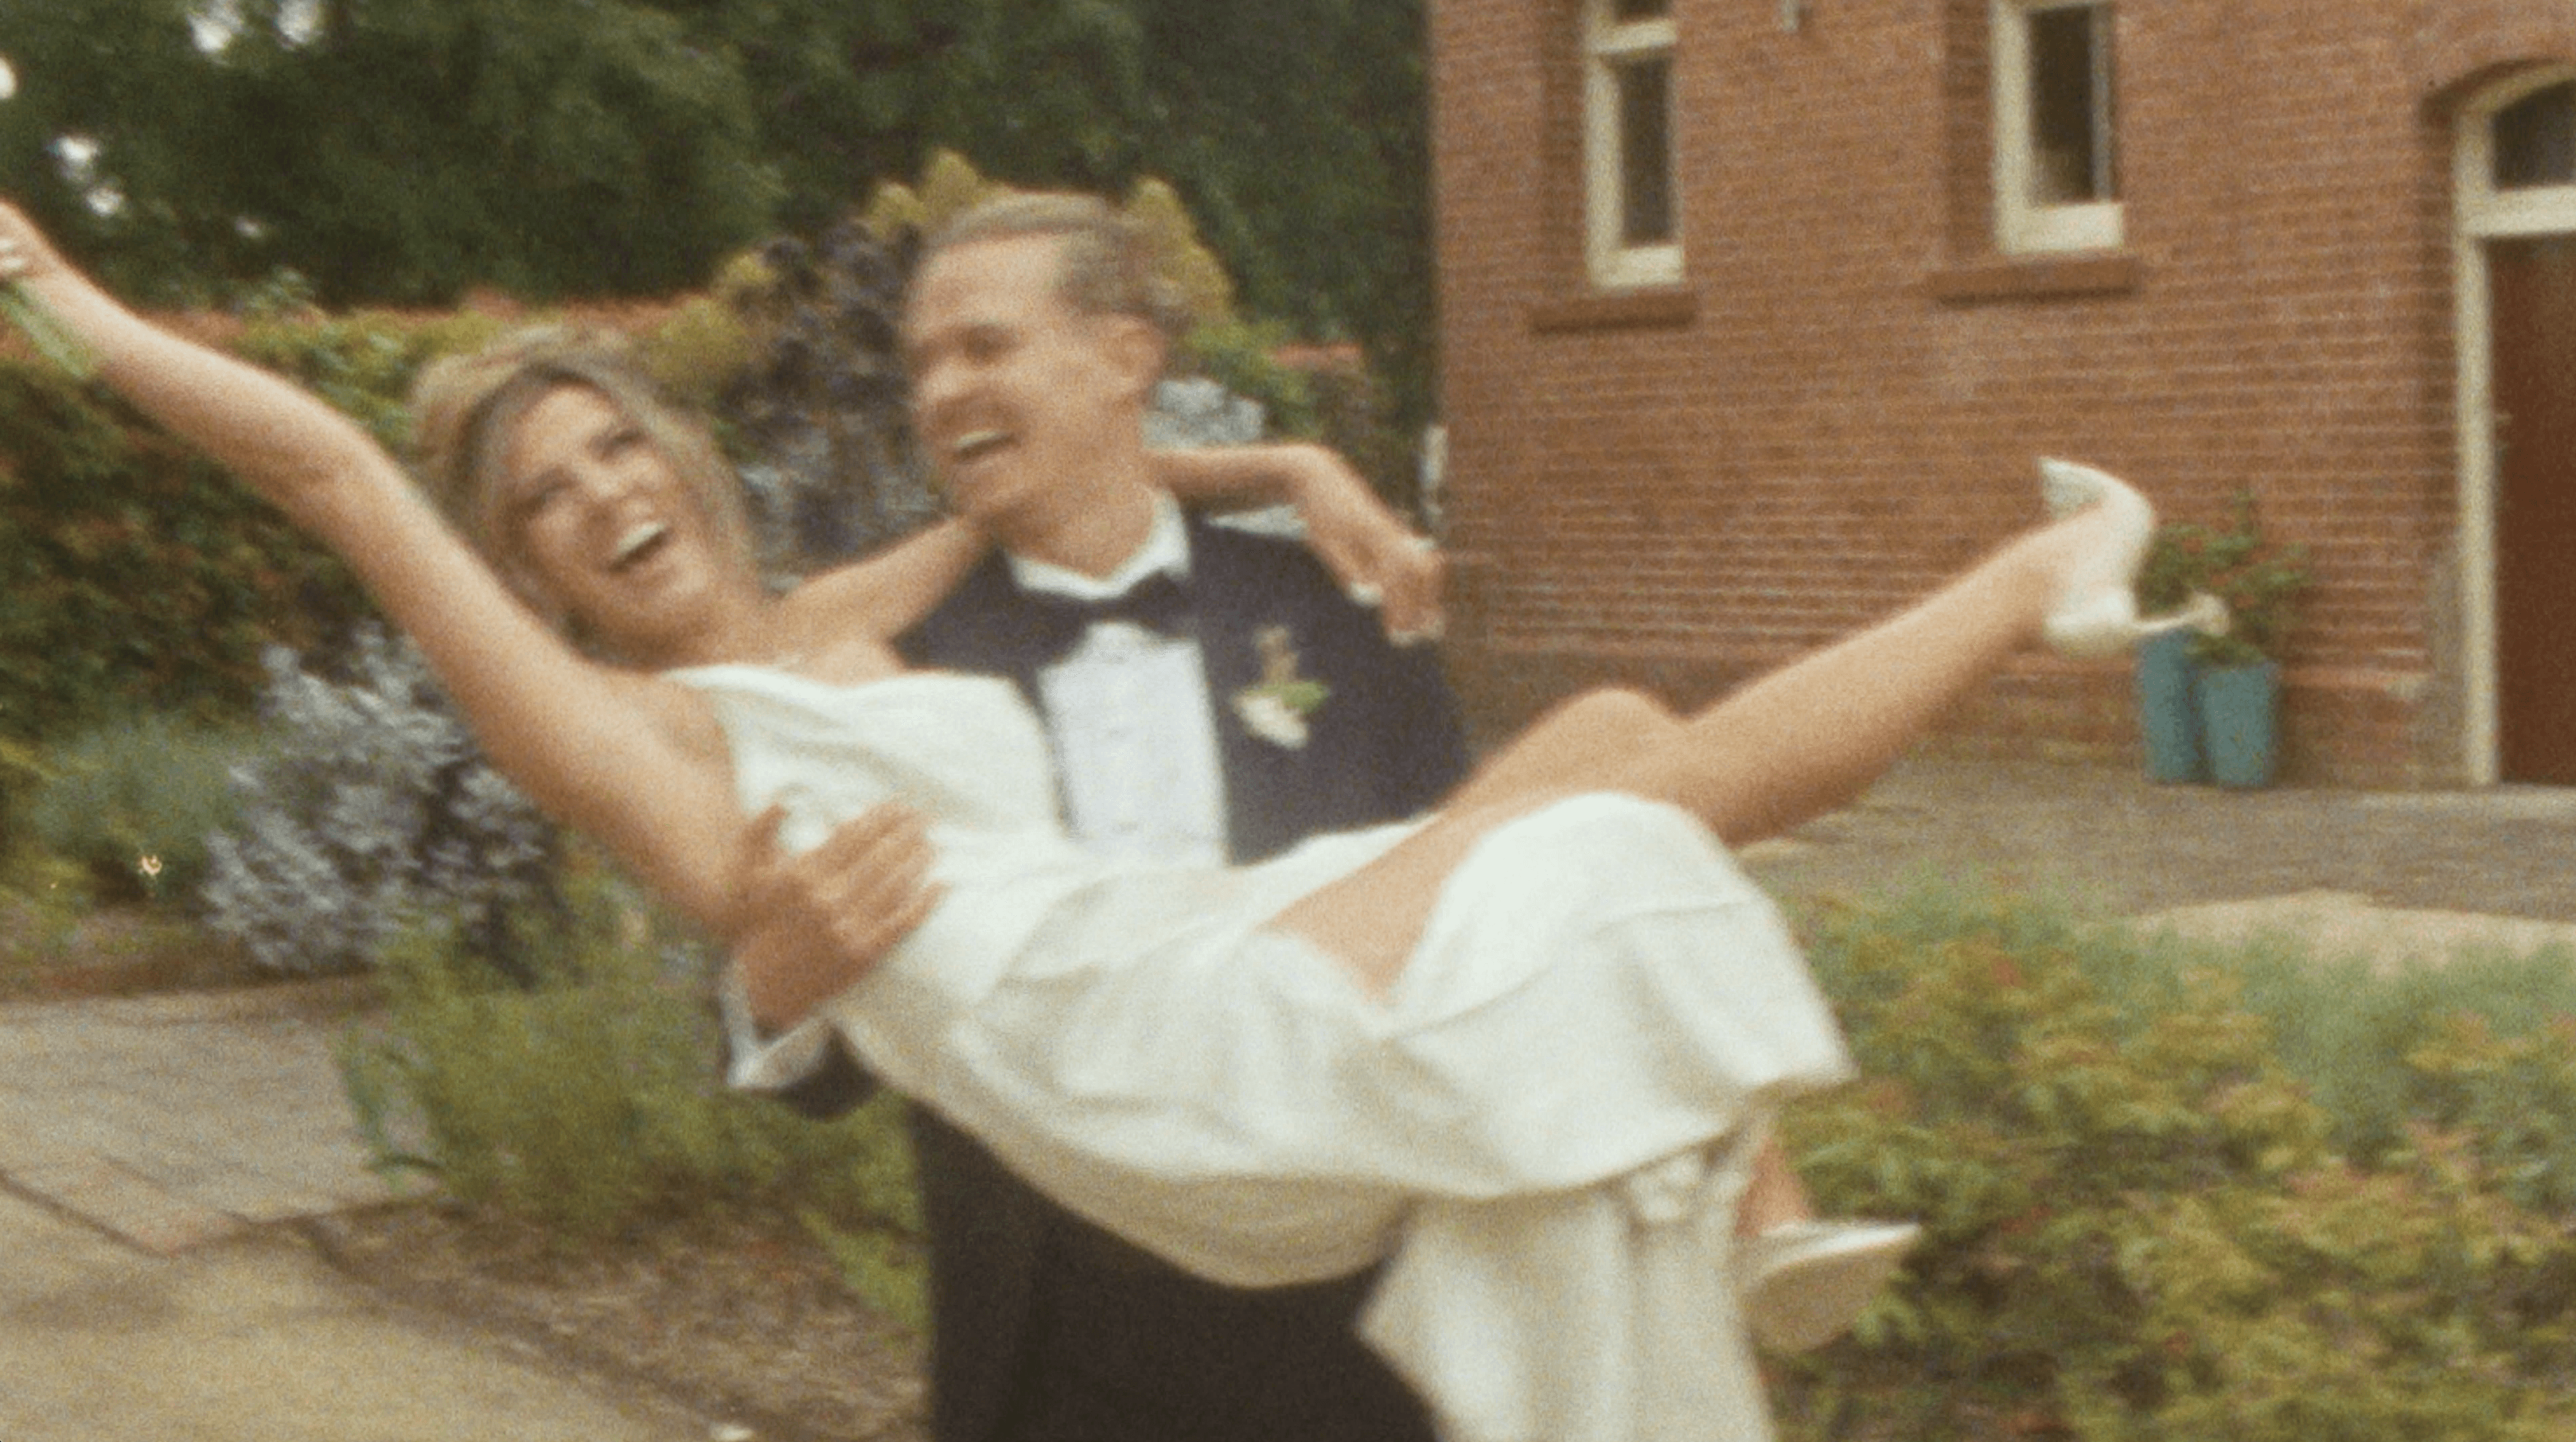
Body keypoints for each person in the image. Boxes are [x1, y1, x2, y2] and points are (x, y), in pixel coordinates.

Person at [0, 200, 2219, 1442]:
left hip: (1193, 954)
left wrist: (1300, 473)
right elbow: (325, 470)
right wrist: (55, 298)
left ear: (685, 462)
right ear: (527, 577)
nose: (601, 496)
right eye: (544, 503)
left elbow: (1064, 471)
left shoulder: (847, 615)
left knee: (1619, 742)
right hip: (1131, 1062)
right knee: (1629, 791)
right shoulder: (622, 735)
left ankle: (1755, 1167)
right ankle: (2041, 581)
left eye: (616, 452)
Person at [712, 194, 1471, 1442]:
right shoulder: (891, 678)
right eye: (921, 363)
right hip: (1053, 1344)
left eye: (985, 346)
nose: (942, 390)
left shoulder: (1338, 610)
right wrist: (773, 995)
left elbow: (1468, 908)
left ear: (1126, 356)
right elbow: (839, 1047)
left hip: (1347, 1322)